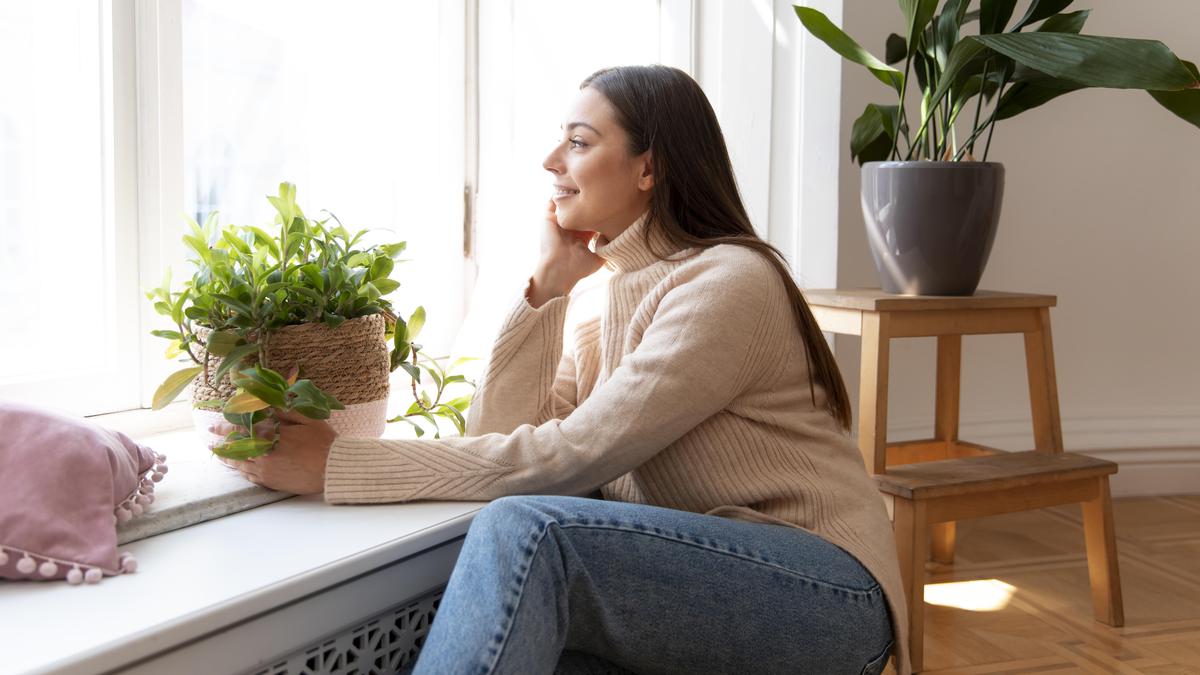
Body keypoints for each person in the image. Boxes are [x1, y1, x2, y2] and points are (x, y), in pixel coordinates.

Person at [218, 65, 908, 675]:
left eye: (578, 142)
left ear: (648, 168)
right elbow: (500, 433)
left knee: (531, 532)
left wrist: (341, 463)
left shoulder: (727, 282)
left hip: (824, 594)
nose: (551, 160)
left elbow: (570, 459)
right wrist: (547, 287)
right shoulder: (600, 295)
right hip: (702, 582)